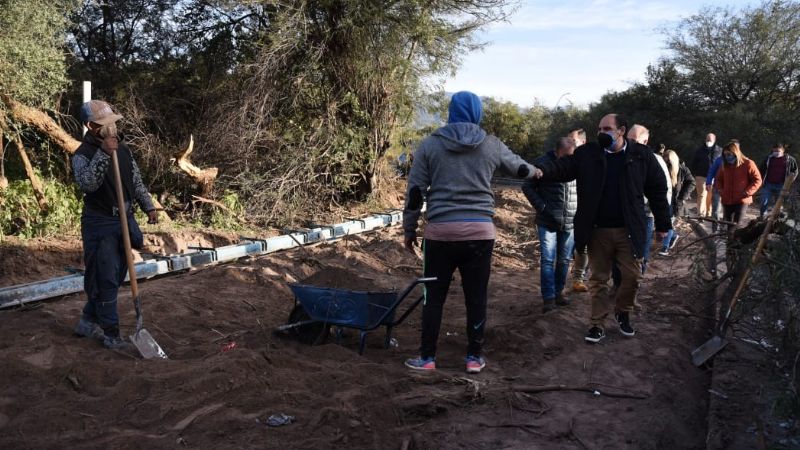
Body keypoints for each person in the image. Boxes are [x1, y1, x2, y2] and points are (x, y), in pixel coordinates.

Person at [402, 91, 538, 373]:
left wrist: (409, 228)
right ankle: (474, 358)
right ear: (477, 113)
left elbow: (415, 192)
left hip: (440, 233)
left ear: (451, 112)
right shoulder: (491, 144)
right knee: (476, 296)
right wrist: (539, 172)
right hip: (480, 233)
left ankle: (427, 358)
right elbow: (520, 168)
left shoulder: (430, 145)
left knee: (433, 297)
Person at [533, 114, 670, 343]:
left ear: (621, 131)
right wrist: (540, 170)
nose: (601, 132)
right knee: (598, 280)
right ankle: (596, 324)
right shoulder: (588, 154)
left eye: (607, 128)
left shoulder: (641, 155)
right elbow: (563, 167)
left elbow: (658, 189)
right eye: (599, 129)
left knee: (633, 276)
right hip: (597, 230)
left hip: (629, 230)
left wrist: (664, 224)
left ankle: (623, 312)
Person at [72, 100, 158, 349]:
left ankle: (88, 321)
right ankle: (111, 334)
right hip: (99, 222)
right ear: (90, 126)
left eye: (112, 121)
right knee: (106, 277)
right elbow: (87, 184)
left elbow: (136, 180)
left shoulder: (124, 149)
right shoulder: (82, 155)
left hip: (124, 218)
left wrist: (148, 206)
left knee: (116, 273)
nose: (111, 127)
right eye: (104, 123)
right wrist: (103, 154)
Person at [522, 137, 577, 313]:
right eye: (566, 156)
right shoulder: (541, 163)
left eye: (572, 156)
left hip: (570, 221)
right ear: (557, 151)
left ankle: (559, 292)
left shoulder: (578, 164)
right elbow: (527, 186)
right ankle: (548, 298)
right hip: (547, 221)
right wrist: (543, 207)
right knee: (547, 259)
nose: (569, 160)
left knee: (564, 260)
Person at [715, 141, 762, 226]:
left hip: (742, 200)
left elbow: (757, 180)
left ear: (735, 153)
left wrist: (747, 192)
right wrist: (721, 190)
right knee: (728, 224)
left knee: (736, 224)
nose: (727, 157)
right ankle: (729, 239)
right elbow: (718, 180)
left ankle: (734, 238)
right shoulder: (724, 165)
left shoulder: (748, 163)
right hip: (727, 200)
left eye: (729, 154)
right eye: (725, 155)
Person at [658, 150, 695, 256]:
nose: (666, 161)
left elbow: (691, 182)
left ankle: (665, 247)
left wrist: (683, 196)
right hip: (662, 199)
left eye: (668, 160)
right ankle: (673, 236)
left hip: (674, 201)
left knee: (668, 222)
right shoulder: (661, 166)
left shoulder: (682, 169)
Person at [566, 128, 590, 293]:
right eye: (568, 141)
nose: (570, 145)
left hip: (584, 214)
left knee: (583, 249)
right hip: (565, 215)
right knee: (565, 253)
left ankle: (578, 279)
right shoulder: (563, 159)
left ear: (583, 143)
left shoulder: (592, 162)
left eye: (573, 141)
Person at [758, 143, 797, 217]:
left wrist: (790, 182)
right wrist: (760, 180)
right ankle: (762, 216)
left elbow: (795, 171)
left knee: (778, 204)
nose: (776, 152)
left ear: (783, 150)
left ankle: (775, 219)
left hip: (782, 185)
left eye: (778, 151)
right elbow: (761, 170)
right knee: (764, 201)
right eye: (774, 151)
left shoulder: (790, 160)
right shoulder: (768, 158)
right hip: (768, 184)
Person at [690, 133, 722, 216]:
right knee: (702, 195)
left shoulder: (720, 151)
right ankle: (701, 214)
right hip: (701, 176)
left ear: (714, 140)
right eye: (707, 140)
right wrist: (693, 174)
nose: (708, 141)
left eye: (710, 140)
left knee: (711, 196)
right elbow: (694, 163)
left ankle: (709, 213)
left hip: (714, 177)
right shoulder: (699, 150)